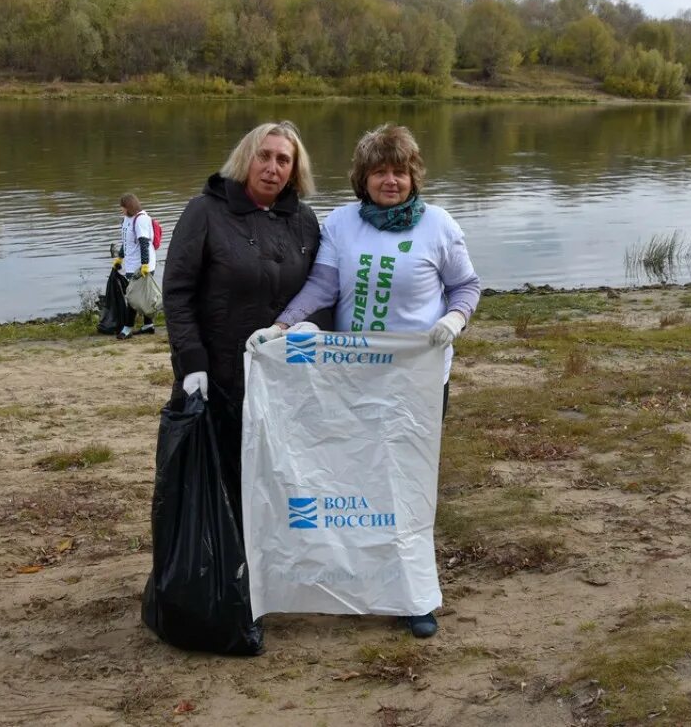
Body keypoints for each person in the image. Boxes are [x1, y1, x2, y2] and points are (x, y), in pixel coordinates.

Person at [250, 122, 481, 639]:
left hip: (417, 382)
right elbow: (323, 285)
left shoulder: (440, 226)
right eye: (380, 171)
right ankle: (353, 580)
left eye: (400, 171)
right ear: (363, 178)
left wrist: (454, 320)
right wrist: (283, 325)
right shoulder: (341, 224)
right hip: (353, 380)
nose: (391, 181)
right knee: (358, 480)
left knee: (407, 487)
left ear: (413, 174)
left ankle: (412, 595)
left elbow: (466, 285)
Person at [162, 120, 322, 416]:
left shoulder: (305, 220)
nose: (272, 168)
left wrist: (307, 337)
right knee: (215, 460)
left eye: (283, 160)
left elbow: (317, 289)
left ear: (293, 170)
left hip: (285, 372)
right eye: (263, 156)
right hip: (217, 374)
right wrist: (191, 362)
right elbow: (177, 293)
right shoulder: (204, 211)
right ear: (245, 158)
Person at [113, 193, 157, 340]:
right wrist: (120, 257)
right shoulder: (126, 220)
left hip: (142, 266)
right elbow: (127, 242)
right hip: (131, 264)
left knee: (132, 297)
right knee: (141, 296)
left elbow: (144, 243)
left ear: (129, 206)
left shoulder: (141, 220)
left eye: (123, 207)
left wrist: (144, 265)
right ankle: (148, 326)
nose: (121, 209)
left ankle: (127, 328)